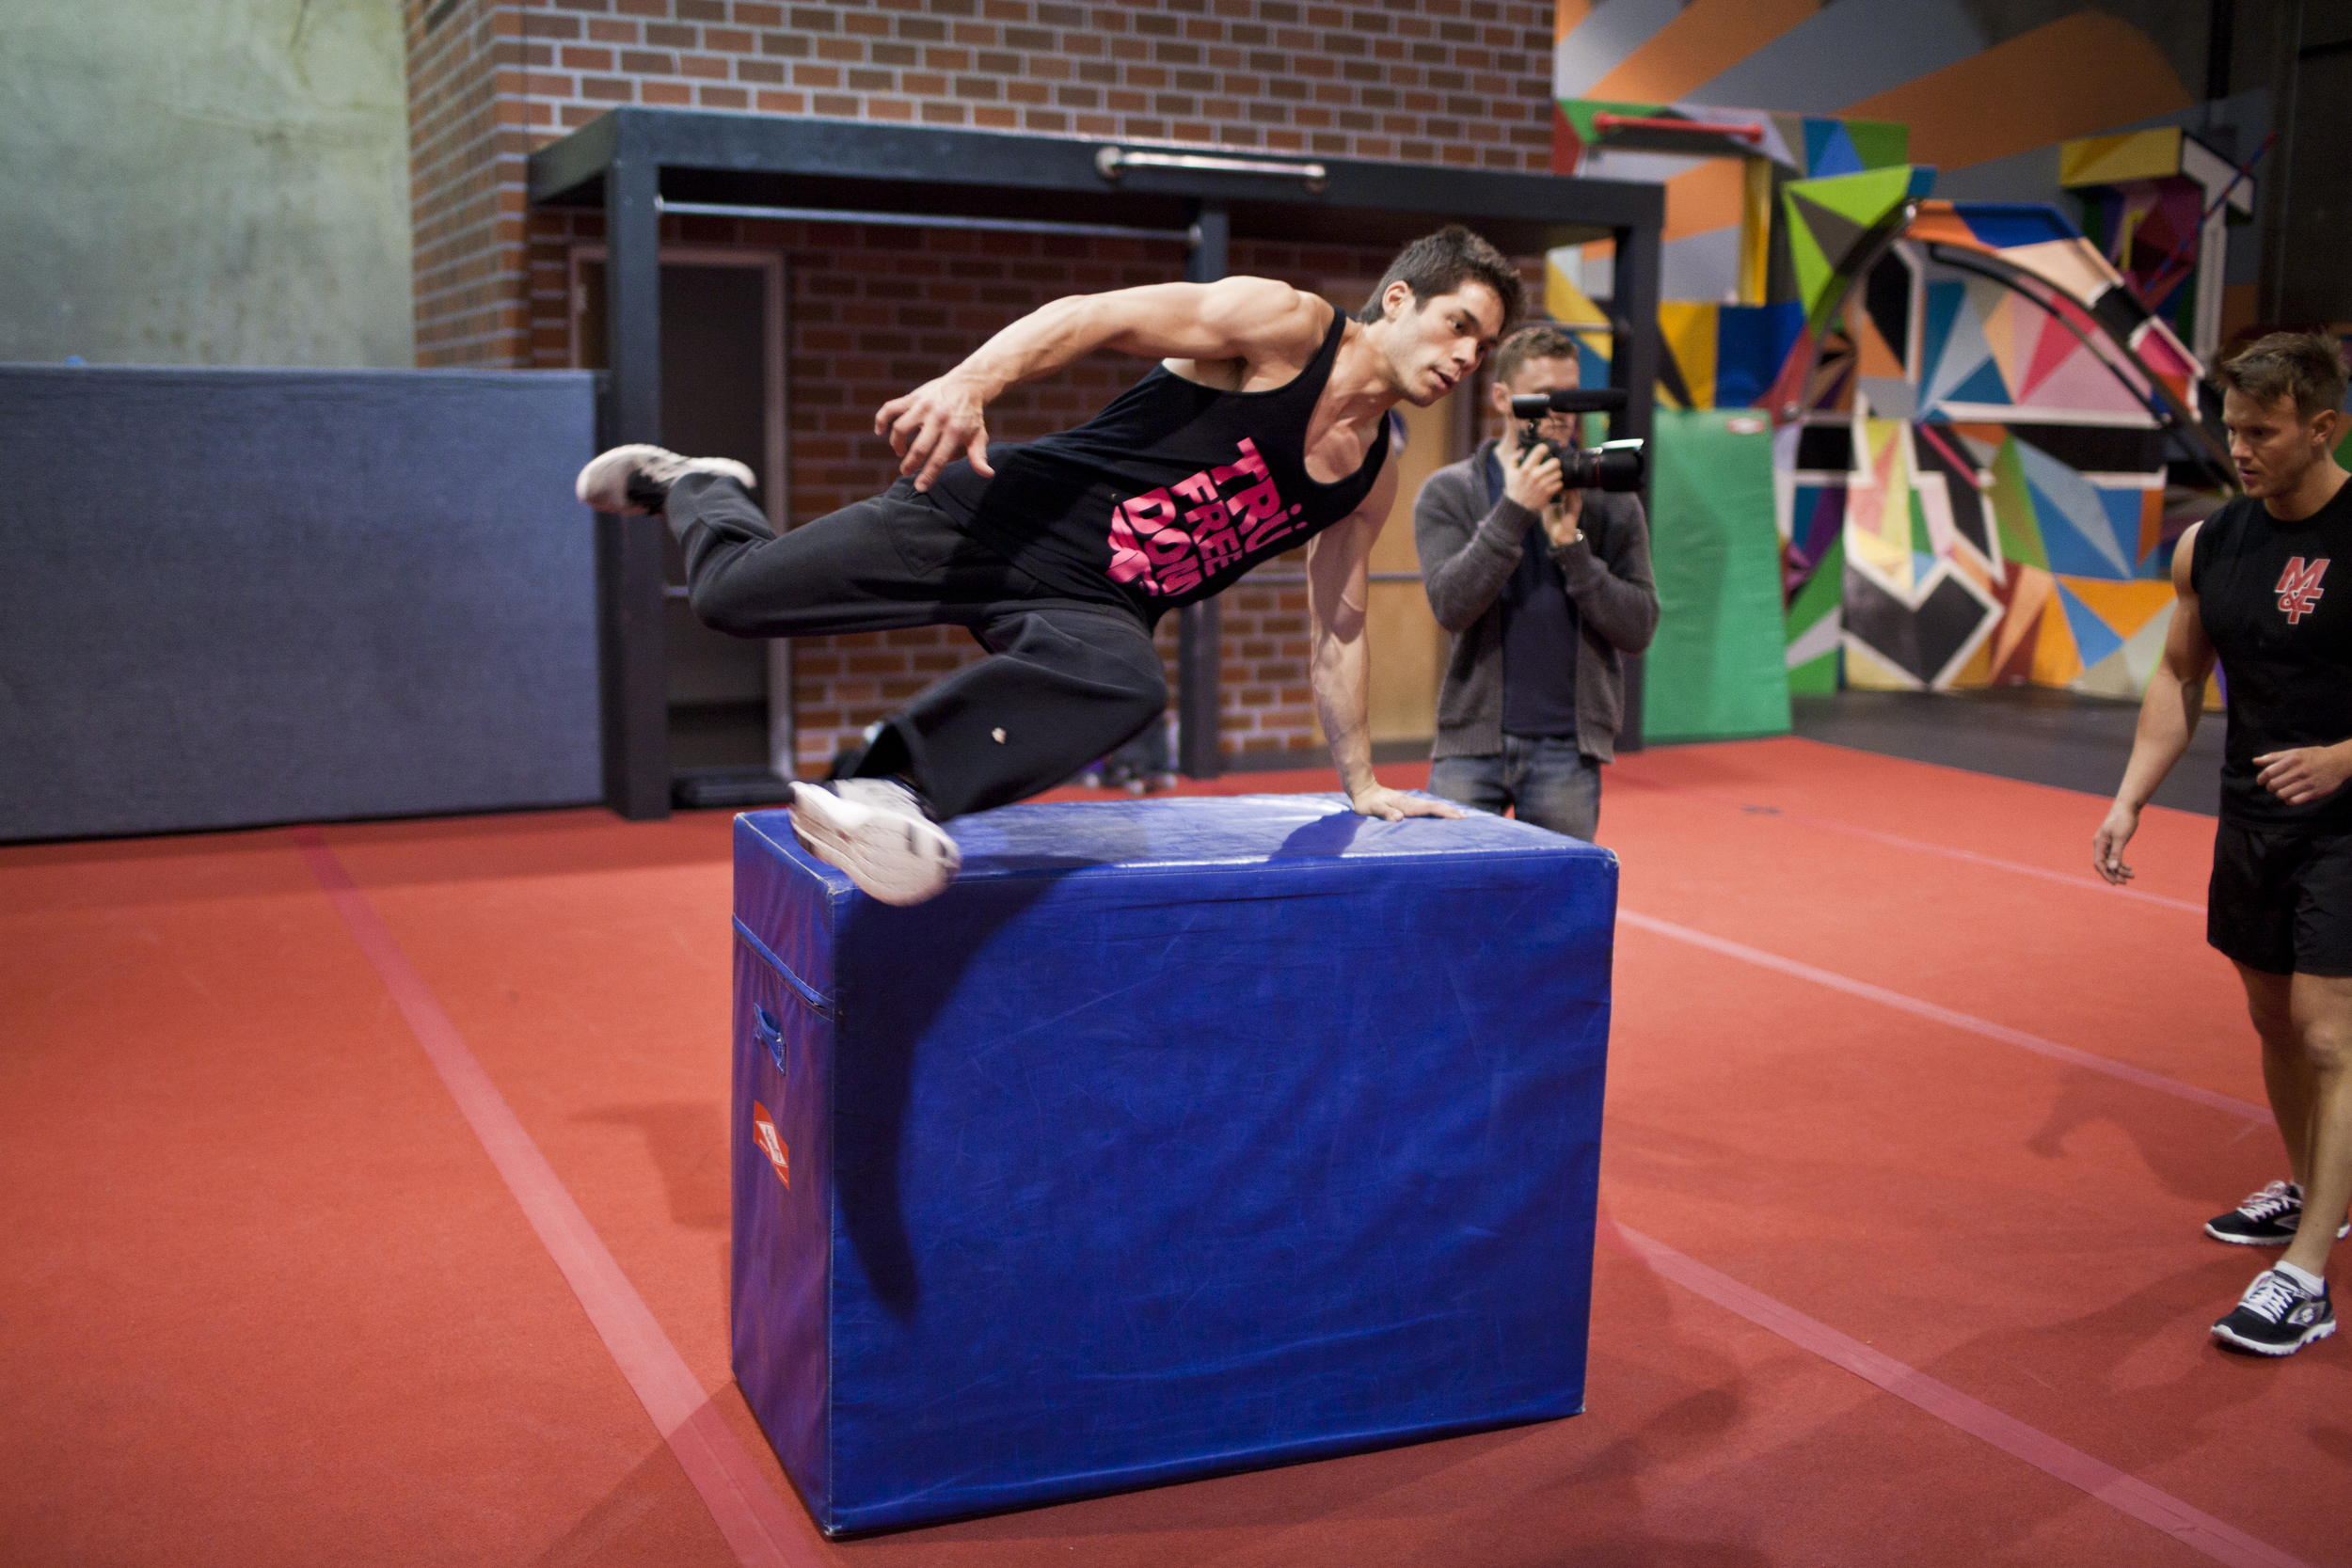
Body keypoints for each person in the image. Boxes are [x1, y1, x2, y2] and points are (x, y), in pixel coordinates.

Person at [578, 227, 1520, 903]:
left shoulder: (1367, 477)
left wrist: (1359, 781)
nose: (1467, 356)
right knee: (730, 597)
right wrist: (968, 383)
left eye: (1482, 347)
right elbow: (1091, 314)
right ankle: (697, 483)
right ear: (1399, 299)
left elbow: (1339, 627)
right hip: (996, 516)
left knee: (1125, 682)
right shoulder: (1284, 328)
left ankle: (888, 782)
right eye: (1458, 325)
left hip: (1096, 600)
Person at [2092, 331, 2352, 1356]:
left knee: (2329, 1031)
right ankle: (2313, 1186)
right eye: (2231, 426)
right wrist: (2129, 798)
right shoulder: (2211, 544)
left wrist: (2341, 756)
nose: (2237, 447)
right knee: (2272, 1019)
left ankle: (2306, 1274)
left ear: (2322, 427)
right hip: (2252, 818)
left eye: (2261, 429)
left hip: (2346, 819)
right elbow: (2178, 679)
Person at [1411, 323, 1658, 841]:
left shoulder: (1611, 499)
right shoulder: (1449, 493)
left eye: (1570, 397)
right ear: (1502, 398)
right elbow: (1450, 606)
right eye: (1545, 398)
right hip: (1470, 743)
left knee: (1556, 910)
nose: (1561, 414)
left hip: (1568, 747)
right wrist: (1513, 512)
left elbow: (1638, 629)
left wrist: (1574, 552)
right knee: (1446, 898)